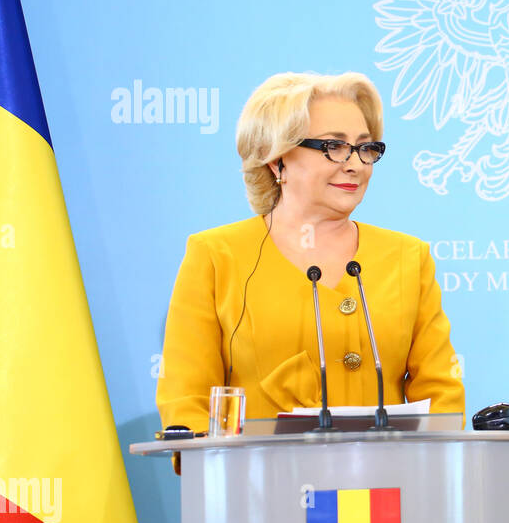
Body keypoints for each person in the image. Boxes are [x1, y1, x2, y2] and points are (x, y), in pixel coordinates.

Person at [156, 71, 465, 442]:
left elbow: (440, 396)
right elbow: (188, 402)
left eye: (365, 148)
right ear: (277, 160)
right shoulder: (217, 256)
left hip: (384, 489)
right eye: (333, 146)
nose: (355, 164)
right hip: (260, 489)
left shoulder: (407, 257)